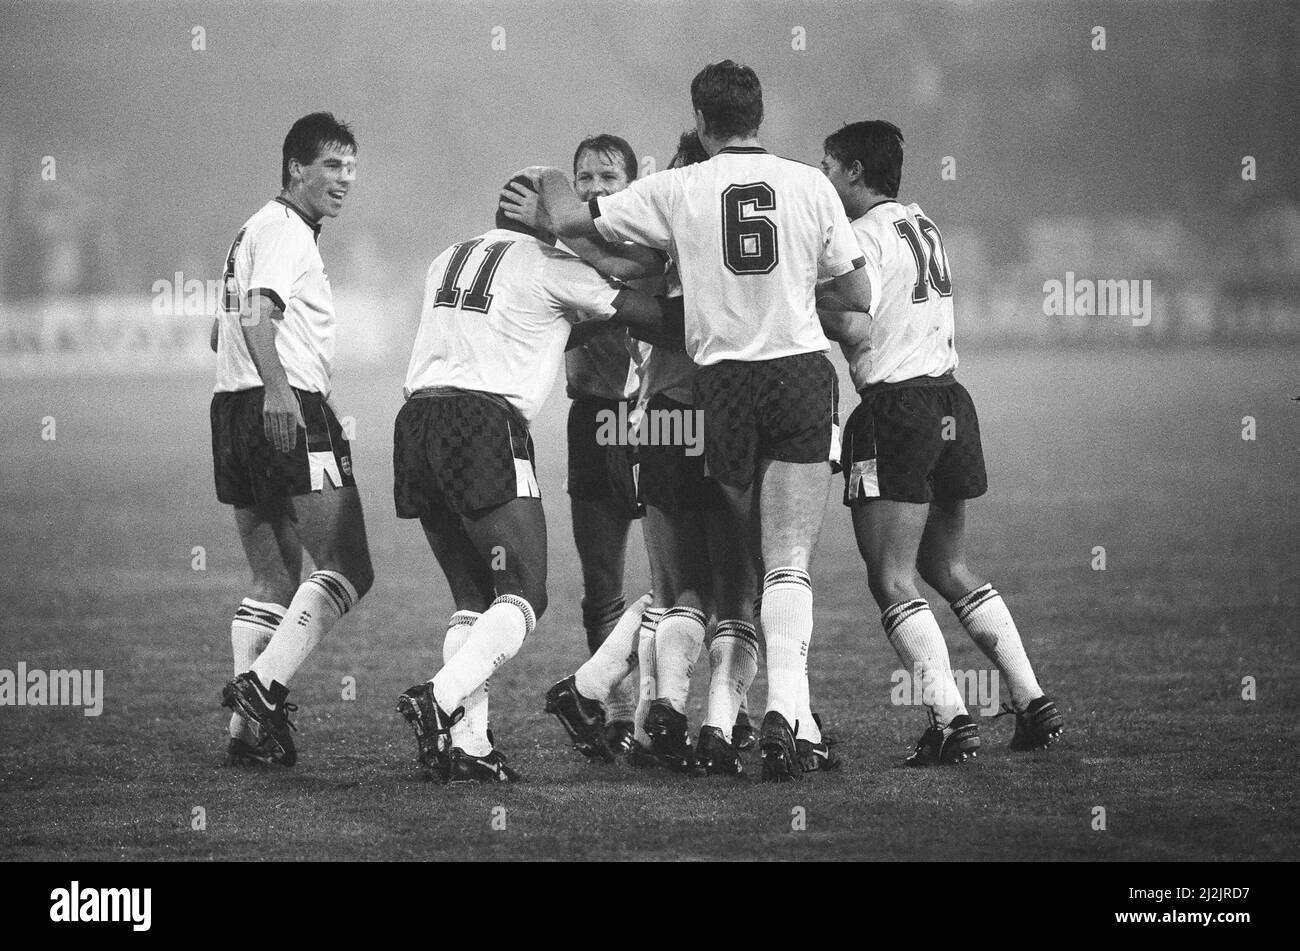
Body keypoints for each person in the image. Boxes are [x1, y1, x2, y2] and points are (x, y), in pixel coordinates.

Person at [503, 61, 875, 782]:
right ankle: (776, 714)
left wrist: (551, 207)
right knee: (770, 566)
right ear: (760, 115)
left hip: (704, 395)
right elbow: (857, 294)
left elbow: (591, 236)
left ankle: (654, 709)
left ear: (701, 124)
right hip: (796, 375)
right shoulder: (810, 184)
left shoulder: (675, 193)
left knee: (684, 579)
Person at [393, 176, 672, 783]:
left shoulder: (449, 256)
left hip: (416, 420)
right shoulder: (549, 264)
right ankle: (438, 700)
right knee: (525, 595)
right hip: (482, 425)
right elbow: (651, 317)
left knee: (472, 599)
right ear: (548, 217)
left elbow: (528, 323)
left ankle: (467, 745)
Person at [817, 120, 1064, 765]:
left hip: (895, 408)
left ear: (854, 173)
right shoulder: (921, 224)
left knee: (890, 577)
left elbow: (851, 319)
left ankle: (952, 720)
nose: (822, 179)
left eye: (828, 167)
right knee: (945, 566)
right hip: (950, 401)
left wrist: (795, 297)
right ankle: (1032, 698)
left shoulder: (864, 237)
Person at [215, 112, 374, 768]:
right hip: (286, 406)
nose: (345, 179)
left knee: (274, 572)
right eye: (333, 165)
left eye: (351, 167)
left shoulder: (256, 226)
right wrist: (280, 391)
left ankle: (246, 734)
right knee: (348, 565)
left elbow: (228, 319)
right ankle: (261, 685)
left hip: (231, 409)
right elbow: (259, 312)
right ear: (295, 169)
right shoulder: (285, 232)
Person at [562, 134, 650, 754]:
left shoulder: (658, 240)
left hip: (668, 422)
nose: (595, 187)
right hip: (596, 422)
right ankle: (619, 719)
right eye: (584, 177)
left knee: (689, 576)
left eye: (607, 176)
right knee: (602, 585)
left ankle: (670, 714)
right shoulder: (562, 254)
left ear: (632, 181)